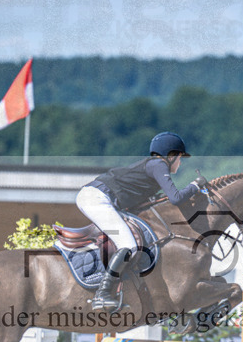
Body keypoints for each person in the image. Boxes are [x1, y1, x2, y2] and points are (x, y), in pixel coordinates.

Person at [77, 131, 206, 311]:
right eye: (179, 157)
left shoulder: (154, 167)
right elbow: (176, 198)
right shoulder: (159, 165)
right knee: (129, 245)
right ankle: (102, 294)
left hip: (99, 197)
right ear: (170, 156)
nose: (180, 162)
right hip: (97, 198)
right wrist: (195, 185)